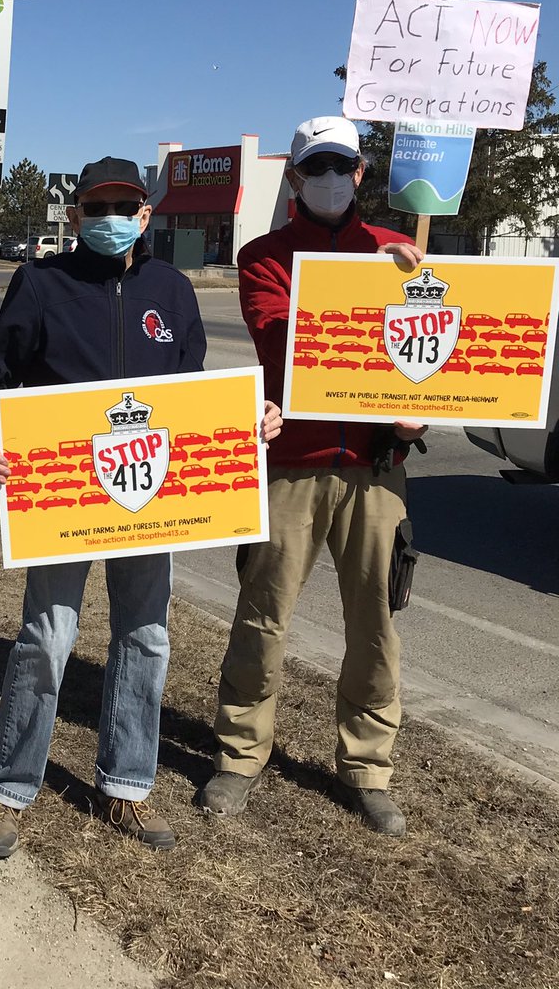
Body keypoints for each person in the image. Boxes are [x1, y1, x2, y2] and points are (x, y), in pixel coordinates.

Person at [0, 156, 282, 859]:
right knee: (47, 637)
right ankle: (9, 785)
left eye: (124, 207)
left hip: (150, 492)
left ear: (146, 215)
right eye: (96, 206)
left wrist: (246, 420)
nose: (110, 218)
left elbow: (191, 394)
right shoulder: (41, 282)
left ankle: (127, 784)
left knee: (145, 636)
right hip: (63, 495)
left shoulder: (171, 289)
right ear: (75, 214)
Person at [199, 116, 426, 837]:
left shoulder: (401, 251)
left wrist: (416, 415)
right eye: (316, 167)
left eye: (342, 165)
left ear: (360, 172)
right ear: (295, 177)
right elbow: (282, 341)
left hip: (376, 469)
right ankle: (240, 754)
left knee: (376, 626)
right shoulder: (263, 256)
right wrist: (372, 297)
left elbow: (428, 354)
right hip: (290, 466)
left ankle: (368, 768)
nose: (330, 179)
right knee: (261, 617)